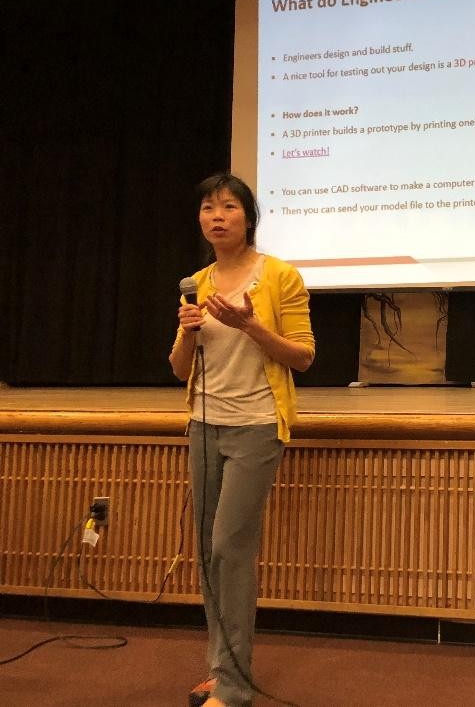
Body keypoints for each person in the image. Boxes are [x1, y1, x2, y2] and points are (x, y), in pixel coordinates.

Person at [169, 173, 314, 707]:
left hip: (256, 425)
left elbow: (303, 356)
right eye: (208, 207)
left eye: (229, 206)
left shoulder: (279, 277)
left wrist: (251, 325)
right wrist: (186, 333)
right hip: (204, 424)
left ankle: (234, 685)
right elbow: (178, 368)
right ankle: (220, 666)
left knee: (231, 546)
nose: (217, 216)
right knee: (209, 553)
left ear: (248, 218)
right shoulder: (197, 282)